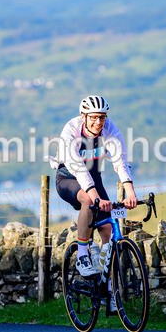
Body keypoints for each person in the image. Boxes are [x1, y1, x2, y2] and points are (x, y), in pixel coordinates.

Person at [50, 95, 137, 286]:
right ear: (84, 116)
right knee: (88, 202)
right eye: (94, 117)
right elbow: (79, 170)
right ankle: (82, 255)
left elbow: (120, 162)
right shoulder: (71, 130)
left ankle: (107, 287)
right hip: (68, 176)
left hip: (93, 176)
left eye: (102, 117)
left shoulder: (110, 129)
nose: (99, 121)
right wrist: (96, 197)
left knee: (107, 229)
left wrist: (130, 192)